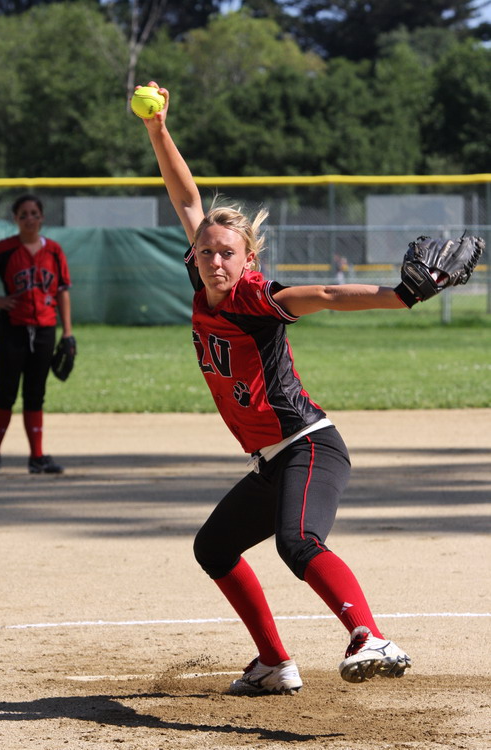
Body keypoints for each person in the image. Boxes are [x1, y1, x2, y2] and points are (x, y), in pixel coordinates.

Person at [139, 81, 412, 694]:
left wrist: (399, 296)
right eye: (207, 251)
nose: (214, 260)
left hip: (308, 444)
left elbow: (328, 294)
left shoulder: (256, 298)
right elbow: (186, 197)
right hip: (271, 458)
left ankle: (370, 636)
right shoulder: (203, 276)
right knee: (214, 548)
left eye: (227, 253)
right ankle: (273, 663)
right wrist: (158, 130)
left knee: (298, 543)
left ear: (247, 260)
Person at [0, 194, 73, 475]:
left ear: (42, 218)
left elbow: (62, 291)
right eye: (23, 214)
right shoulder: (4, 249)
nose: (29, 219)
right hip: (13, 328)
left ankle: (37, 458)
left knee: (35, 393)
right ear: (15, 219)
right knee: (6, 392)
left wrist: (68, 333)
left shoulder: (54, 251)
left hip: (45, 330)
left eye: (34, 213)